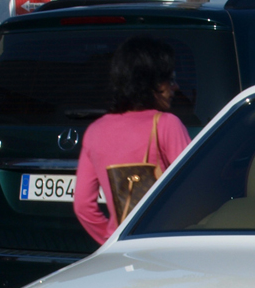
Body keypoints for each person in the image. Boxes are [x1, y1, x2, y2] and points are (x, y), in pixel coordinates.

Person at [74, 36, 191, 244]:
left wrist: (111, 240)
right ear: (150, 83)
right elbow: (196, 189)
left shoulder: (95, 131)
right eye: (170, 80)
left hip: (122, 250)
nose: (176, 87)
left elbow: (83, 205)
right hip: (166, 244)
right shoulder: (166, 124)